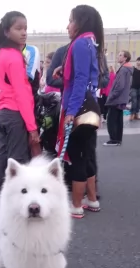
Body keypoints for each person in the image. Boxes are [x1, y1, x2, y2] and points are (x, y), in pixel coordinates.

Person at [55, 5, 103, 218]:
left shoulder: (80, 44)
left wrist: (71, 112)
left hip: (78, 107)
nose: (68, 26)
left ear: (80, 22)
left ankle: (75, 205)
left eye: (71, 20)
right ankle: (91, 199)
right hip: (90, 107)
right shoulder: (91, 42)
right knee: (87, 155)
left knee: (77, 157)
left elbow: (80, 81)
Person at [0, 11, 40, 193]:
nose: (24, 32)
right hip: (15, 113)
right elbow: (22, 93)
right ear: (7, 31)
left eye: (25, 28)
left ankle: (3, 194)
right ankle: (16, 199)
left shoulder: (1, 54)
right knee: (18, 161)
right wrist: (32, 127)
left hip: (3, 113)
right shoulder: (14, 56)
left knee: (4, 157)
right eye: (18, 28)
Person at [104, 50, 133, 146]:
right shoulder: (127, 69)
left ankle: (113, 139)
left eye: (120, 55)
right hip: (121, 98)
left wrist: (111, 96)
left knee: (111, 120)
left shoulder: (123, 70)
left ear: (125, 58)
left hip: (116, 99)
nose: (118, 57)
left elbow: (120, 86)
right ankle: (118, 139)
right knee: (118, 120)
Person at [129, 57, 140, 121]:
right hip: (133, 87)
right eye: (137, 60)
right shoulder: (133, 69)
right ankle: (132, 114)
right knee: (134, 101)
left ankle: (136, 114)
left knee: (138, 102)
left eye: (139, 61)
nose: (137, 62)